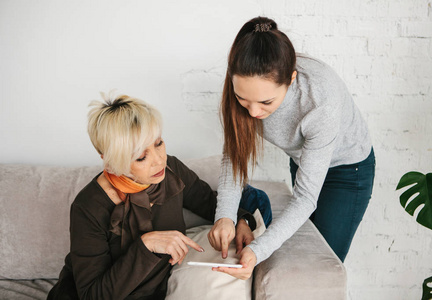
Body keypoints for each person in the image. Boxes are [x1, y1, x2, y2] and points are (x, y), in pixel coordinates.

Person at [208, 16, 376, 280]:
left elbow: (305, 198)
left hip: (348, 171)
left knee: (318, 266)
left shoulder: (320, 101)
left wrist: (258, 249)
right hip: (302, 157)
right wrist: (225, 217)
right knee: (297, 249)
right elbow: (235, 161)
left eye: (265, 101)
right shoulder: (242, 81)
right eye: (243, 99)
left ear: (291, 80)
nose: (252, 112)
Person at [47, 93, 261, 299]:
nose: (159, 160)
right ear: (110, 161)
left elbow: (209, 202)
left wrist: (240, 220)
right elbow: (93, 295)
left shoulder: (171, 170)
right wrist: (146, 245)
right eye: (141, 157)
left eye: (158, 143)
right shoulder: (89, 207)